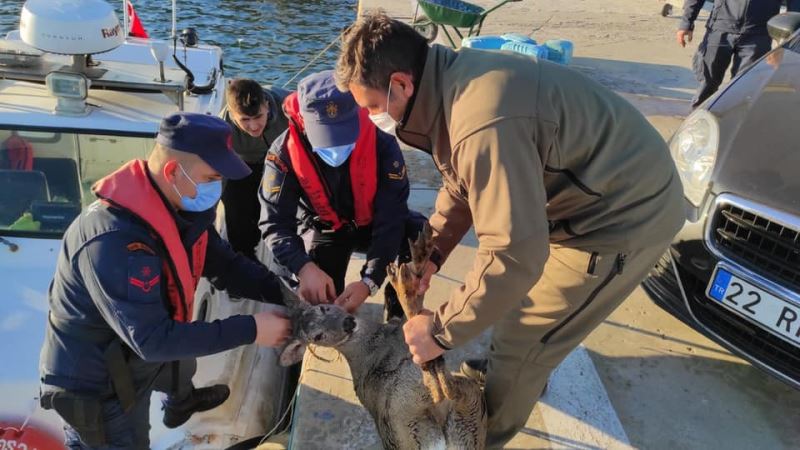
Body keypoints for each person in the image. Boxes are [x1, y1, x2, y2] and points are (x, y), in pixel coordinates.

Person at [335, 11, 686, 448]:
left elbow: (516, 254)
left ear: (402, 85)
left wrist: (439, 332)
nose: (371, 119)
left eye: (371, 107)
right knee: (505, 312)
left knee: (524, 338)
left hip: (621, 215)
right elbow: (460, 183)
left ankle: (483, 434)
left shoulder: (481, 122)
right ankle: (512, 374)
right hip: (585, 194)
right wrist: (433, 253)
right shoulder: (448, 83)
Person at [38, 112, 292, 450]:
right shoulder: (115, 241)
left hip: (133, 358)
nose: (217, 188)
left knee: (182, 354)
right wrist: (253, 329)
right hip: (98, 387)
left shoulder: (181, 210)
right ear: (173, 171)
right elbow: (154, 339)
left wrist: (289, 295)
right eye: (212, 177)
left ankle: (180, 402)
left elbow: (227, 266)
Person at [259, 70, 425, 318]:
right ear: (304, 122)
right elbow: (274, 223)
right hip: (327, 228)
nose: (335, 147)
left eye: (343, 136)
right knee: (321, 303)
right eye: (325, 138)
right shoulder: (282, 154)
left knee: (418, 236)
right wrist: (304, 268)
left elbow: (392, 217)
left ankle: (397, 310)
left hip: (372, 224)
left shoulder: (384, 145)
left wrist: (370, 280)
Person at [677, 0, 800, 108]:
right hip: (719, 29)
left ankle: (730, 126)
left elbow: (795, 6)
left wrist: (786, 42)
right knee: (707, 83)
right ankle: (697, 125)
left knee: (743, 89)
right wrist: (686, 22)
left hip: (758, 35)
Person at [221, 79, 290, 261]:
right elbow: (216, 175)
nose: (253, 126)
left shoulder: (288, 105)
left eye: (258, 116)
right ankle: (244, 259)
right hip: (242, 165)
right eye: (244, 119)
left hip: (281, 162)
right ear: (232, 114)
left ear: (267, 105)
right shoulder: (222, 129)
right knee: (235, 209)